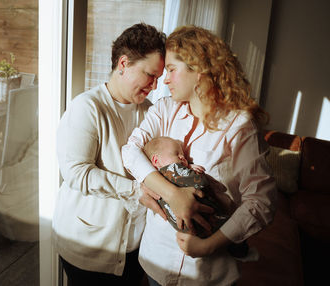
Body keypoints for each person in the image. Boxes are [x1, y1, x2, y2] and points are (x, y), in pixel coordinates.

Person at [122, 25, 277, 286]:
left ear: (199, 70)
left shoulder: (239, 125)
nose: (165, 80)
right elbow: (130, 151)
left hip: (206, 273)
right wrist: (173, 194)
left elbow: (261, 200)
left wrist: (208, 246)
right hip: (154, 262)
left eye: (171, 70)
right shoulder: (164, 110)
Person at [52, 23, 166, 286]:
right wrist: (134, 190)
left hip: (135, 250)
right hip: (88, 248)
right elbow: (76, 173)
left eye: (159, 77)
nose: (155, 85)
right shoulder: (87, 107)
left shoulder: (151, 113)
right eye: (150, 75)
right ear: (123, 63)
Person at [143, 136, 250, 258]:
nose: (183, 158)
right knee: (229, 226)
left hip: (181, 229)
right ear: (156, 161)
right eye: (176, 154)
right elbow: (201, 182)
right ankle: (241, 251)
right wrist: (191, 170)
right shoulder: (172, 170)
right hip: (204, 219)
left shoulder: (152, 180)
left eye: (182, 154)